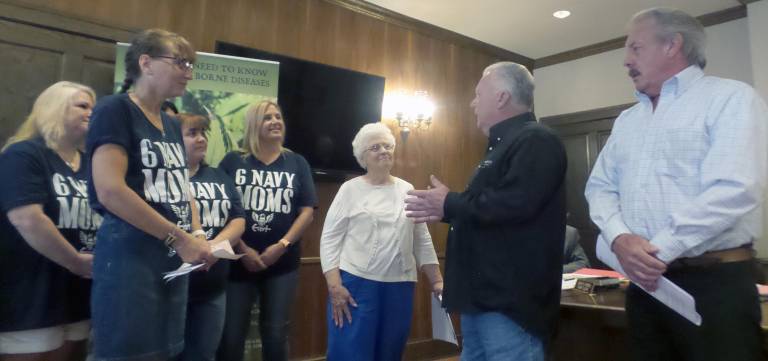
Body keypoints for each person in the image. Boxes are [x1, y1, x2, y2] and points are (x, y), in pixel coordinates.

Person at [584, 7, 767, 361]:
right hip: (646, 289)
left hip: (715, 286)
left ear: (673, 45)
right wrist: (621, 238)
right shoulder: (627, 121)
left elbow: (734, 188)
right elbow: (599, 188)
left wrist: (656, 251)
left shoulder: (731, 99)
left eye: (635, 48)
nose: (626, 60)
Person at [405, 62, 567, 361]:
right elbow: (490, 211)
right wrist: (446, 208)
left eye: (479, 94)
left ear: (502, 97)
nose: (473, 102)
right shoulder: (501, 147)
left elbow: (515, 204)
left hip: (509, 305)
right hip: (481, 299)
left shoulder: (537, 140)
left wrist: (450, 204)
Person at [85, 29, 214, 361]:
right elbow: (110, 190)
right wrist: (180, 239)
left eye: (191, 65)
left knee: (166, 351)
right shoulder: (115, 109)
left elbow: (179, 186)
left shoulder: (171, 124)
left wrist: (196, 234)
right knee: (130, 353)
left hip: (171, 258)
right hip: (131, 256)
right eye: (180, 62)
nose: (188, 71)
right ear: (146, 63)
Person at [319, 122, 443, 361]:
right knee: (351, 352)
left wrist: (437, 281)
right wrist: (334, 285)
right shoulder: (349, 189)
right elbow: (330, 239)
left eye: (388, 145)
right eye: (375, 147)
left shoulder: (407, 189)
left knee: (390, 352)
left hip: (400, 286)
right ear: (363, 157)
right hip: (356, 285)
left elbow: (422, 240)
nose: (384, 151)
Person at [0, 81, 100, 360]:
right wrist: (75, 261)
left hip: (78, 292)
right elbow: (27, 219)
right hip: (32, 291)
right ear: (54, 109)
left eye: (93, 106)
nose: (91, 112)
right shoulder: (24, 154)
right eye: (82, 105)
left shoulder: (91, 162)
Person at [217, 100, 317, 361]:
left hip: (283, 265)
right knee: (230, 336)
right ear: (253, 124)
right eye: (267, 117)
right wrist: (242, 248)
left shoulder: (296, 162)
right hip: (238, 263)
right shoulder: (232, 161)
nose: (276, 121)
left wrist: (281, 245)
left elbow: (307, 211)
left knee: (275, 335)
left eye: (278, 116)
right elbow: (221, 209)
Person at [177, 113, 246, 361]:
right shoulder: (166, 179)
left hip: (213, 287)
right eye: (192, 133)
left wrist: (212, 248)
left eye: (203, 133)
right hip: (173, 288)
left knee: (205, 354)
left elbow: (238, 219)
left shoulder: (220, 177)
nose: (201, 139)